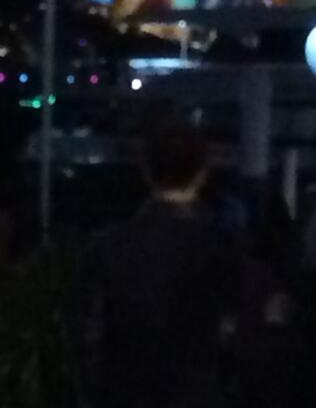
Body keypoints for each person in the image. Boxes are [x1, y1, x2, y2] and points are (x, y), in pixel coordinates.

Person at [76, 122, 241, 408]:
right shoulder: (222, 248)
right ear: (202, 173)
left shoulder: (109, 246)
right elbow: (234, 336)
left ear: (146, 171)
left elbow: (89, 336)